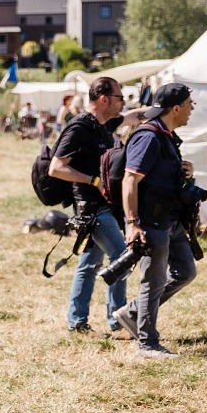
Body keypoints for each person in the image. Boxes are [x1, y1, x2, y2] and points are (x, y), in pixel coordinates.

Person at [114, 84, 199, 358]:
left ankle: (132, 313)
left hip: (170, 219)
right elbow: (130, 179)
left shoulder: (166, 136)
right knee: (154, 280)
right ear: (175, 108)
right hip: (150, 221)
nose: (192, 108)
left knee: (186, 271)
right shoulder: (149, 137)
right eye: (189, 103)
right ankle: (147, 344)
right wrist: (132, 222)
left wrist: (183, 170)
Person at [49, 76, 131, 337]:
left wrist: (162, 106)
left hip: (104, 206)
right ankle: (118, 322)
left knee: (89, 264)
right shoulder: (80, 128)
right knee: (121, 258)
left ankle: (77, 321)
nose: (123, 103)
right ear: (104, 98)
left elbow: (135, 116)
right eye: (120, 98)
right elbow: (56, 167)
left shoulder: (105, 125)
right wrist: (92, 180)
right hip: (92, 209)